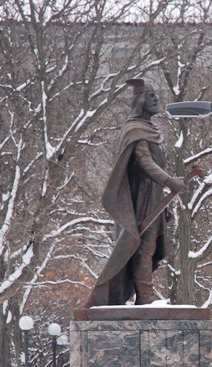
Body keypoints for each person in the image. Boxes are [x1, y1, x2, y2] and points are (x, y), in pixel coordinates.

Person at [85, 79, 188, 307]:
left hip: (153, 195)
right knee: (141, 246)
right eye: (151, 96)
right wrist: (170, 181)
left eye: (155, 96)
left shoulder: (150, 130)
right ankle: (145, 296)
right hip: (139, 198)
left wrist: (164, 197)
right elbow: (143, 161)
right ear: (141, 101)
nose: (156, 99)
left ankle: (145, 296)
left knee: (149, 247)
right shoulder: (134, 129)